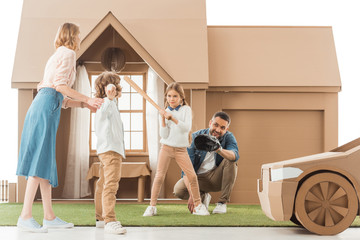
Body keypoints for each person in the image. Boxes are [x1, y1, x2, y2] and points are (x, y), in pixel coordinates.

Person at [16, 23, 104, 233]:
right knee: (39, 159)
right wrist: (87, 98)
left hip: (45, 106)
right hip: (46, 108)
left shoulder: (57, 55)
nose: (80, 38)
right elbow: (60, 87)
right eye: (79, 35)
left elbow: (59, 96)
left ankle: (49, 216)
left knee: (45, 161)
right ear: (73, 36)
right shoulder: (69, 54)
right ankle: (25, 216)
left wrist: (84, 104)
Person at [143, 83, 209, 216]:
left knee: (192, 176)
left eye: (175, 96)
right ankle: (152, 207)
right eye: (169, 96)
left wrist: (172, 118)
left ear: (181, 98)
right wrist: (162, 119)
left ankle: (198, 205)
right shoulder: (164, 111)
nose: (171, 99)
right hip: (166, 148)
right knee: (159, 176)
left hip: (181, 150)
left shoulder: (186, 110)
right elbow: (164, 135)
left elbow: (186, 128)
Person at [173, 111, 239, 214]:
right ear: (210, 123)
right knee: (179, 190)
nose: (217, 130)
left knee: (230, 161)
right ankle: (203, 197)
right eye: (215, 125)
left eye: (222, 128)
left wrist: (218, 149)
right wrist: (193, 196)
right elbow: (187, 171)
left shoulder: (229, 137)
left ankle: (222, 203)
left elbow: (235, 155)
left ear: (226, 129)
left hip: (217, 178)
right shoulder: (195, 137)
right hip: (198, 179)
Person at [93, 72, 126, 234]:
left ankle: (100, 218)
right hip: (110, 150)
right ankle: (110, 220)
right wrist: (110, 97)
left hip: (108, 149)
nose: (120, 88)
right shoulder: (106, 103)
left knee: (103, 183)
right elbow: (103, 114)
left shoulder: (109, 103)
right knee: (111, 185)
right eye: (118, 85)